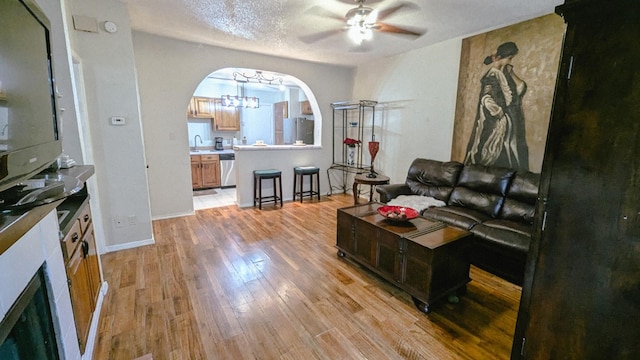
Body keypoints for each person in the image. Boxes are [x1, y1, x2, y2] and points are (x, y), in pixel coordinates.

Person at [464, 41, 529, 171]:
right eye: (509, 58)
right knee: (493, 152)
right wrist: (498, 112)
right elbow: (486, 98)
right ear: (501, 58)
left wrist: (511, 73)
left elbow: (521, 89)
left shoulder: (504, 75)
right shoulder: (492, 75)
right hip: (496, 122)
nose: (510, 61)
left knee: (511, 152)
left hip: (509, 122)